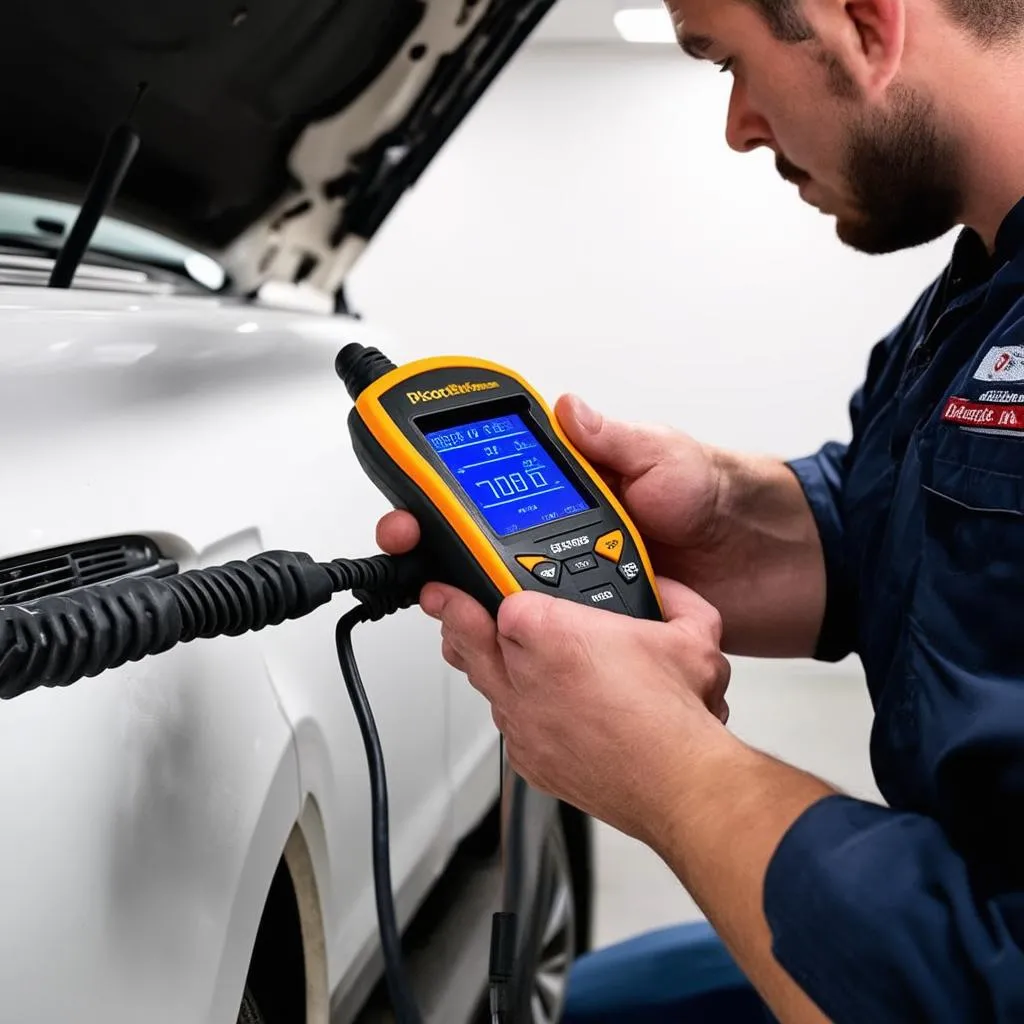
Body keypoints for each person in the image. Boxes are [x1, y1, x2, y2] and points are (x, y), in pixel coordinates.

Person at [378, 0, 1024, 1020]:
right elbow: (906, 542)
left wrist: (667, 768)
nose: (737, 126)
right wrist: (724, 509)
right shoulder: (976, 293)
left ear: (863, 21)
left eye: (729, 61)